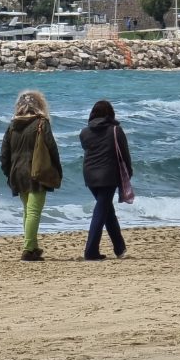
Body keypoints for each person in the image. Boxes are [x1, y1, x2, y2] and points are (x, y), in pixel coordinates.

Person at [0, 90, 62, 261]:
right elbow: (51, 148)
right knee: (34, 212)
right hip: (37, 173)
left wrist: (9, 173)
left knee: (28, 211)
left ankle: (33, 247)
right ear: (40, 105)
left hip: (17, 174)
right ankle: (28, 249)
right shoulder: (42, 123)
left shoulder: (12, 126)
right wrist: (57, 169)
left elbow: (4, 154)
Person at [79, 100, 130, 261]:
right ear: (110, 114)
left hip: (90, 176)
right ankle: (90, 251)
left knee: (107, 211)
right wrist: (128, 173)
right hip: (109, 176)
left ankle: (119, 248)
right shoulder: (116, 130)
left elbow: (88, 150)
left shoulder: (84, 132)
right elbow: (125, 154)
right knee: (101, 212)